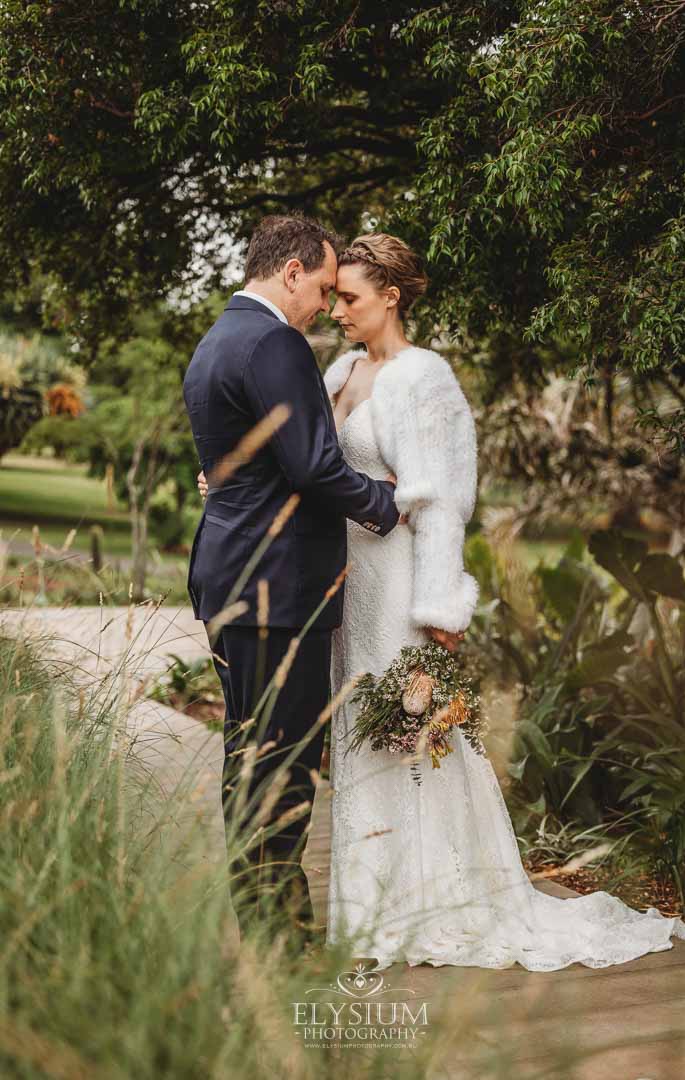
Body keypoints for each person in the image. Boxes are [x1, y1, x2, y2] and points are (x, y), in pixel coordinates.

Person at [320, 231, 685, 970]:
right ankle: (370, 906)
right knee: (361, 729)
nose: (336, 310)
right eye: (334, 297)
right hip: (351, 579)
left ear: (391, 297)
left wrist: (440, 608)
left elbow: (443, 502)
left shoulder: (423, 376)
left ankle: (430, 905)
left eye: (349, 297)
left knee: (412, 732)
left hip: (400, 581)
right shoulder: (339, 371)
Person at [182, 214, 400, 940]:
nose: (326, 305)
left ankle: (261, 919)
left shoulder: (217, 340)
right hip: (277, 586)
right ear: (293, 272)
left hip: (230, 578)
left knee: (249, 752)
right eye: (325, 287)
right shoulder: (275, 342)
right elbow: (314, 466)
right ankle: (280, 931)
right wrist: (387, 504)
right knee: (285, 760)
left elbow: (238, 465)